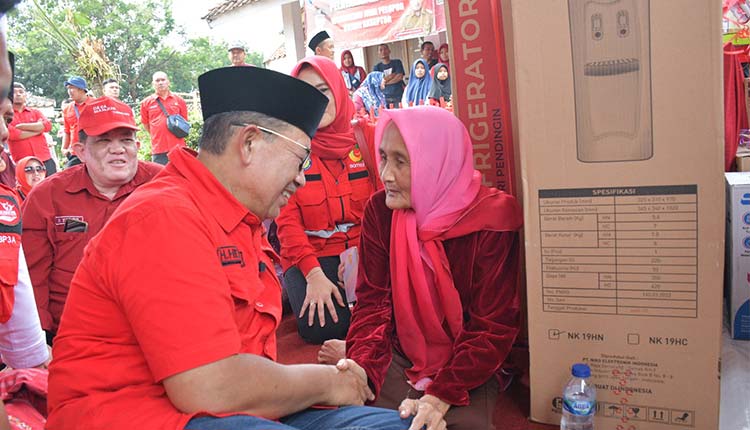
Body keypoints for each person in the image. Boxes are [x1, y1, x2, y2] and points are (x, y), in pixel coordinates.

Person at [45, 66, 414, 430]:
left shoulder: (240, 219)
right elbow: (209, 386)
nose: (302, 177)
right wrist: (331, 382)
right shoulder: (164, 216)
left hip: (234, 410)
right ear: (250, 144)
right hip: (139, 414)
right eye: (300, 159)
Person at [321, 106, 523, 430]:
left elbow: (492, 326)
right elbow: (373, 303)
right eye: (383, 157)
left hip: (468, 359)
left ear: (437, 163)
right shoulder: (380, 211)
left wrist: (440, 394)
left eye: (401, 161)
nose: (386, 174)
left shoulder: (492, 219)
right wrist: (362, 366)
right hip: (401, 350)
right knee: (360, 417)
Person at [22, 96, 162, 343]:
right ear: (80, 151)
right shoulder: (46, 196)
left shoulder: (165, 184)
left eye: (126, 140)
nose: (118, 149)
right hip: (71, 337)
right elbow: (34, 277)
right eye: (104, 140)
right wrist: (40, 343)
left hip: (150, 334)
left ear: (138, 146)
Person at [276, 56, 375, 345]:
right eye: (305, 94)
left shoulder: (367, 138)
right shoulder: (290, 149)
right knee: (321, 326)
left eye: (323, 90)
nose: (315, 101)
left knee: (385, 314)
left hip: (366, 249)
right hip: (311, 255)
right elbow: (287, 223)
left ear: (339, 90)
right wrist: (314, 275)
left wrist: (365, 259)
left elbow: (386, 210)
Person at [140, 71, 188, 165]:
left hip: (178, 147)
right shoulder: (146, 103)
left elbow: (184, 121)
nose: (160, 83)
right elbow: (146, 124)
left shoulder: (179, 100)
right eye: (157, 81)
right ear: (153, 84)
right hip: (159, 149)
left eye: (163, 80)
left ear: (168, 82)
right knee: (161, 177)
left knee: (181, 177)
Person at [8, 83, 55, 175]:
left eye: (21, 92)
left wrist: (22, 127)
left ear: (25, 95)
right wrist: (38, 129)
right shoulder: (7, 115)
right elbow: (13, 134)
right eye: (14, 92)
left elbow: (48, 126)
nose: (18, 94)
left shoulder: (35, 112)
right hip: (23, 162)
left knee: (53, 187)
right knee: (27, 189)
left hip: (45, 159)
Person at [61, 76, 91, 168]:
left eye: (72, 88)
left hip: (94, 149)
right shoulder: (67, 109)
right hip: (76, 152)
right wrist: (64, 148)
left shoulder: (96, 104)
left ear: (81, 89)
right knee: (69, 177)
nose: (70, 91)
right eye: (68, 88)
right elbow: (67, 131)